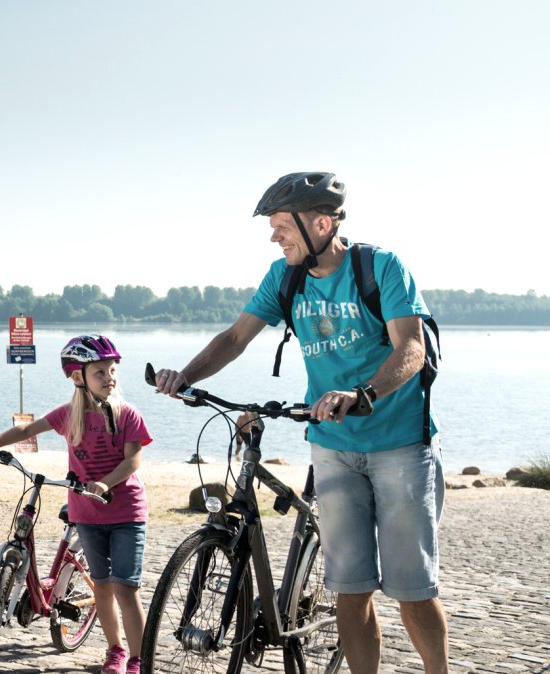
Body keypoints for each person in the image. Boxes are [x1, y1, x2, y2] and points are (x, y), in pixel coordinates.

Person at [153, 172, 447, 674]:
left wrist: (363, 394)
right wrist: (186, 375)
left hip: (400, 446)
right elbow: (235, 337)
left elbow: (412, 348)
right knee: (349, 589)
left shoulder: (380, 267)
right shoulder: (282, 277)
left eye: (282, 226)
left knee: (411, 588)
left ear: (322, 223)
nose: (274, 237)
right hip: (331, 446)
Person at [0, 334, 151, 674]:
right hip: (86, 514)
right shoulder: (68, 416)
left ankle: (138, 658)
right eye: (100, 372)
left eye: (112, 370)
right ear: (78, 377)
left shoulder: (128, 415)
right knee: (101, 586)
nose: (110, 378)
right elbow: (29, 428)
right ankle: (114, 651)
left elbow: (133, 462)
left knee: (126, 588)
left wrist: (104, 482)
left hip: (127, 511)